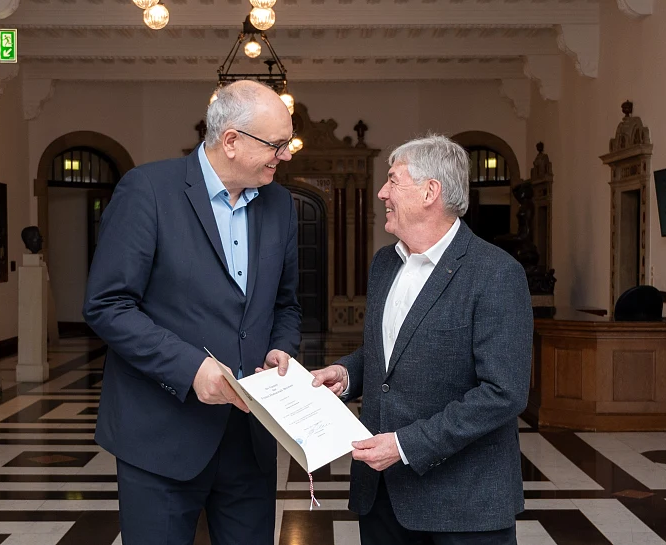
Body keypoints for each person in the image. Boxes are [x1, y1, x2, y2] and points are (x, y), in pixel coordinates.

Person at [83, 80, 301, 545]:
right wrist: (190, 368)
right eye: (276, 145)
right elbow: (107, 305)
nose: (285, 156)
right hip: (161, 436)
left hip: (250, 440)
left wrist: (282, 348)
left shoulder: (281, 205)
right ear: (231, 141)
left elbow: (286, 303)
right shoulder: (148, 190)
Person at [312, 134, 532, 544]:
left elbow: (504, 391)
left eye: (393, 181)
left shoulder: (495, 273)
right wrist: (346, 373)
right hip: (380, 498)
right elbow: (390, 353)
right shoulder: (384, 264)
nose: (381, 193)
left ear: (431, 191)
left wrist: (405, 445)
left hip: (463, 508)